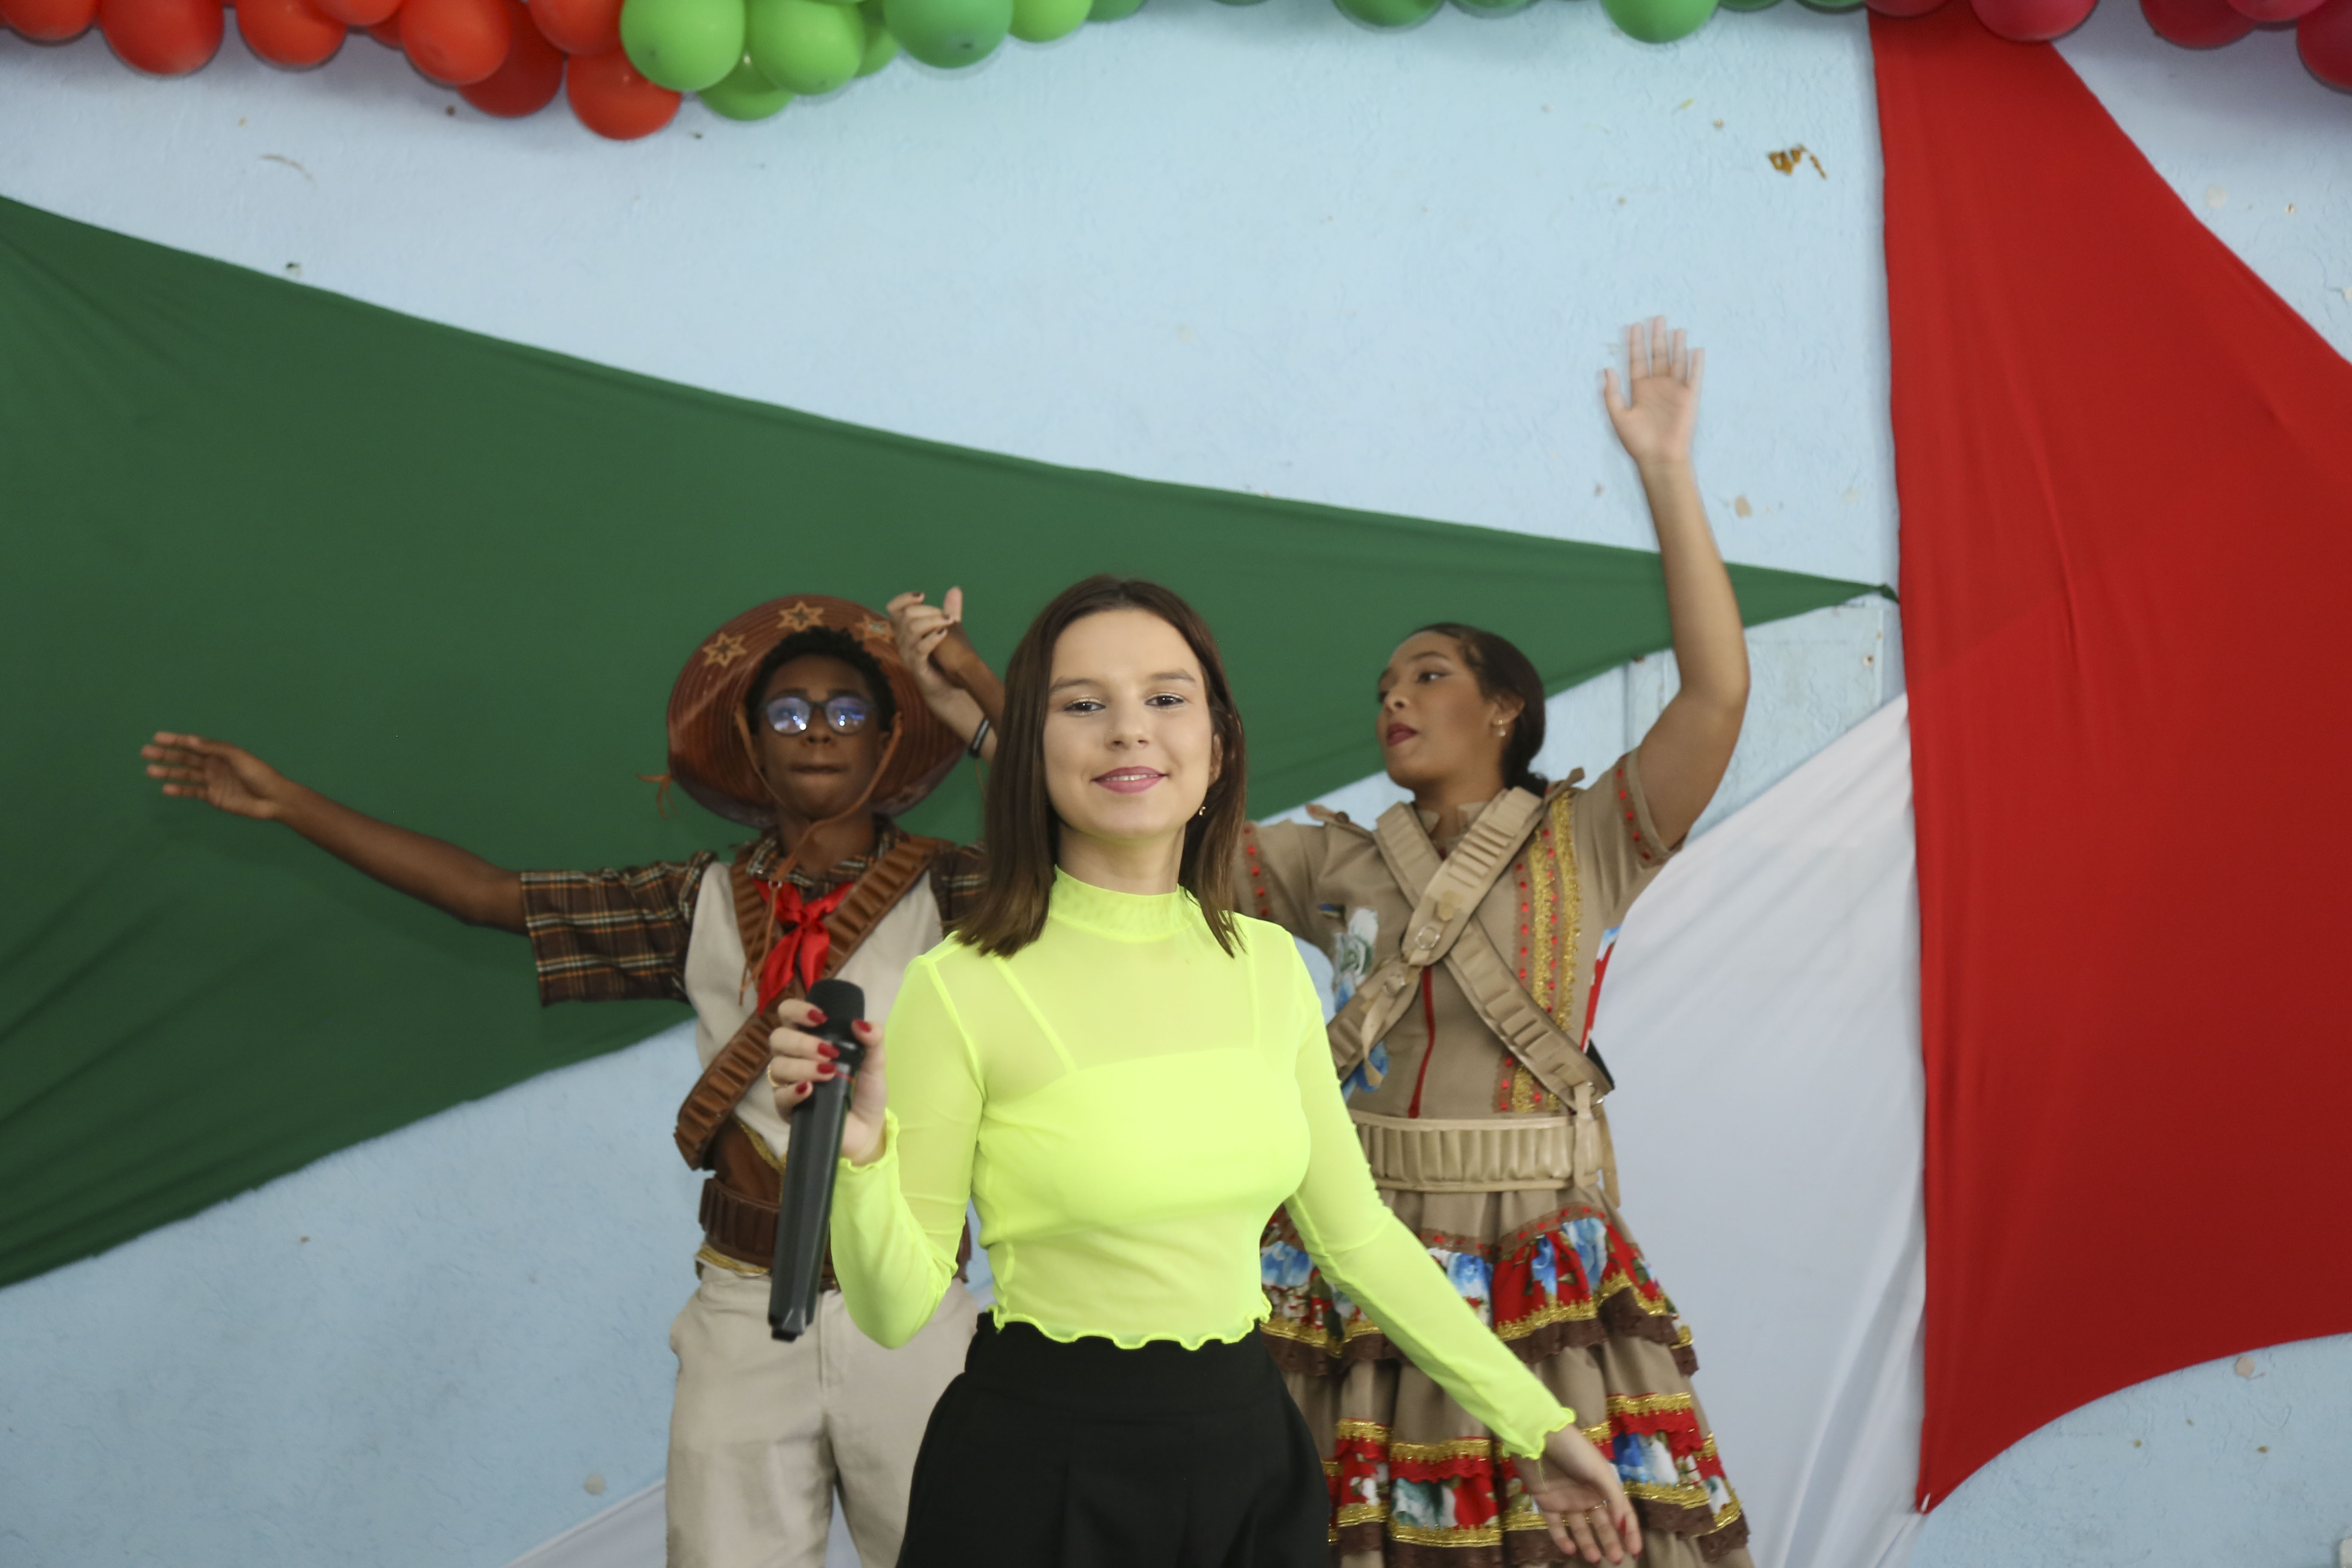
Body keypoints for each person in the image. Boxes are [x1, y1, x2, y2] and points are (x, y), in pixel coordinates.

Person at [889, 318, 1755, 1565]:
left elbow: (1715, 696)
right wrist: (992, 708)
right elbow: (1136, 813)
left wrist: (1667, 471)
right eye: (1385, 680)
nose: (1396, 693)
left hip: (1527, 1258)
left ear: (1507, 708)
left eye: (1432, 674)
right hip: (1340, 1264)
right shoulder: (1330, 863)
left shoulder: (1590, 840)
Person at [766, 576, 1645, 1568]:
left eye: (1165, 697)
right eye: (1083, 703)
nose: (1129, 730)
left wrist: (1537, 1426)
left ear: (1217, 745)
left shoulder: (1267, 967)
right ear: (1033, 752)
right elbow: (892, 1312)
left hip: (1250, 1465)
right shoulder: (960, 983)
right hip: (1032, 1474)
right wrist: (861, 1158)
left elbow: (1359, 1240)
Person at [140, 595, 991, 1568]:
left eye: (847, 711)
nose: (819, 732)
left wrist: (972, 687)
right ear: (753, 745)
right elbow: (488, 895)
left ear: (888, 737)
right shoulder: (696, 901)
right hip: (744, 1301)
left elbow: (1086, 834)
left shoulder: (958, 892)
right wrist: (291, 803)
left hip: (912, 1301)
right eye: (789, 713)